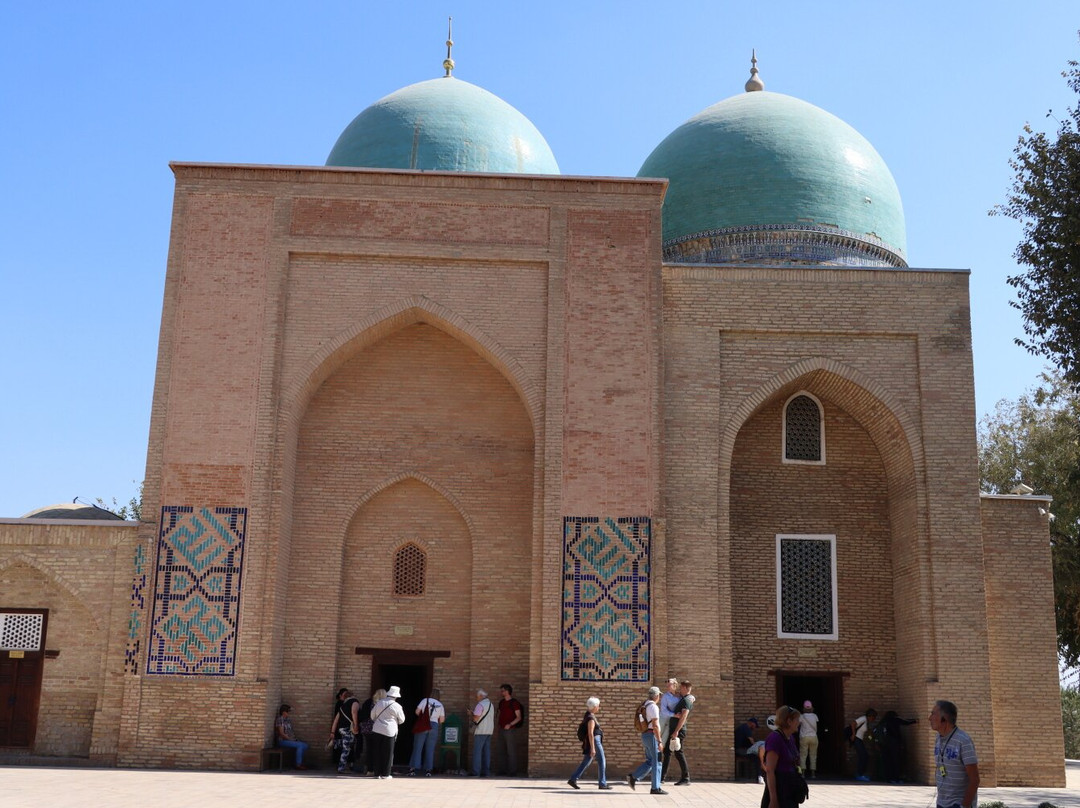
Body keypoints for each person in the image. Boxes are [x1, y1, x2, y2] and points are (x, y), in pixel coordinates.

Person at [930, 700, 979, 808]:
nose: (930, 718)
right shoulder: (938, 739)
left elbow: (974, 779)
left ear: (944, 718)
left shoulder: (963, 741)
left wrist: (964, 805)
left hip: (958, 803)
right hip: (941, 803)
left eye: (933, 714)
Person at [762, 705, 806, 808]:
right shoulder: (775, 739)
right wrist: (773, 800)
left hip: (790, 789)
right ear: (789, 721)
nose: (799, 722)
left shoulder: (790, 738)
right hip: (779, 790)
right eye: (796, 720)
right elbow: (770, 770)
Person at [627, 685, 666, 795]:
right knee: (657, 762)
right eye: (659, 696)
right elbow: (655, 725)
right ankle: (655, 788)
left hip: (645, 736)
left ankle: (633, 777)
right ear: (657, 696)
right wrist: (659, 741)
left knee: (650, 761)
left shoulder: (644, 704)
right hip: (652, 736)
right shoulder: (653, 707)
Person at [567, 696, 611, 790]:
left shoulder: (588, 715)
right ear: (595, 707)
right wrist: (593, 748)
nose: (599, 707)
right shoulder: (590, 718)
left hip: (593, 741)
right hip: (595, 741)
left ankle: (573, 779)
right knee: (602, 761)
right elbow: (591, 733)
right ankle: (602, 783)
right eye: (598, 706)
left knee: (586, 761)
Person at [370, 685, 406, 779]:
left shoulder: (379, 703)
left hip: (377, 729)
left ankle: (376, 773)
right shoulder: (397, 706)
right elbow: (402, 720)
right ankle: (386, 774)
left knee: (377, 751)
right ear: (396, 696)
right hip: (390, 731)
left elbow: (372, 715)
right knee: (388, 753)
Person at [661, 681, 693, 786]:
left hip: (678, 730)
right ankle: (662, 777)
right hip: (674, 729)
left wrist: (676, 731)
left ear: (684, 688)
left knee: (679, 753)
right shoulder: (683, 699)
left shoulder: (686, 700)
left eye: (681, 687)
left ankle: (686, 778)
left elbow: (683, 716)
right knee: (667, 752)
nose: (679, 689)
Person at [409, 687, 445, 777]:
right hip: (434, 725)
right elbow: (442, 720)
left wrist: (423, 717)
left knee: (418, 747)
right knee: (430, 748)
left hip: (423, 724)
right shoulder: (440, 704)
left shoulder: (425, 700)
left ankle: (413, 769)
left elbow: (417, 712)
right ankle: (428, 770)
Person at [881, 709, 917, 784]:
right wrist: (915, 721)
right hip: (894, 743)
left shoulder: (883, 721)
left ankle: (888, 778)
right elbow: (906, 722)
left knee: (888, 762)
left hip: (885, 744)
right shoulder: (895, 720)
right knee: (896, 761)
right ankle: (896, 778)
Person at [329, 687, 360, 773]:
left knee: (350, 743)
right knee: (346, 749)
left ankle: (336, 742)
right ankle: (341, 768)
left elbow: (336, 720)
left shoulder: (342, 706)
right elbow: (354, 713)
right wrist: (356, 725)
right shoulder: (355, 702)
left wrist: (333, 731)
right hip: (348, 729)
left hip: (341, 729)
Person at [496, 683, 524, 776]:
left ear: (507, 691)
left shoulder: (514, 703)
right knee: (501, 751)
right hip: (501, 729)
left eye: (503, 690)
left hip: (510, 730)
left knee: (511, 751)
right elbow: (499, 714)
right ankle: (502, 770)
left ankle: (512, 771)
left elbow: (518, 717)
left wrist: (510, 724)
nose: (501, 692)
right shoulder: (501, 702)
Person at [274, 704, 308, 769]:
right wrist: (290, 739)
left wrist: (294, 739)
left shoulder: (287, 719)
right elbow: (281, 733)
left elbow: (290, 731)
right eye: (288, 711)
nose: (289, 713)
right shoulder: (280, 719)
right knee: (300, 745)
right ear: (284, 712)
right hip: (283, 740)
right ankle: (298, 765)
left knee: (305, 745)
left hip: (290, 739)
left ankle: (299, 762)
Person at [470, 688, 495, 777]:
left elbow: (476, 718)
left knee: (477, 752)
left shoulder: (480, 705)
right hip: (489, 730)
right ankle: (486, 772)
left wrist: (471, 714)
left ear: (481, 696)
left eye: (477, 697)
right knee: (486, 752)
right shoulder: (491, 705)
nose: (476, 698)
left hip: (481, 730)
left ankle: (476, 772)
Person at [849, 707, 877, 781]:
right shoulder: (863, 719)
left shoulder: (867, 722)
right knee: (864, 756)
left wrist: (872, 739)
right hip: (857, 739)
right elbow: (853, 723)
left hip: (860, 740)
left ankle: (860, 774)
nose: (873, 720)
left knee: (864, 757)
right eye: (873, 718)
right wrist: (853, 734)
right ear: (870, 716)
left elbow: (868, 735)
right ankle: (859, 775)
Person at [659, 678, 680, 757]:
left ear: (675, 685)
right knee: (658, 738)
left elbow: (688, 697)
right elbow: (663, 711)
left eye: (669, 683)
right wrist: (674, 715)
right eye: (666, 683)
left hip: (671, 722)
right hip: (663, 720)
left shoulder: (679, 695)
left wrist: (692, 698)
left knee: (663, 742)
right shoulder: (665, 696)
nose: (667, 685)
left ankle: (658, 761)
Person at [797, 700, 819, 779]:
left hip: (804, 737)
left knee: (803, 755)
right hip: (814, 737)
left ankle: (803, 773)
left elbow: (798, 725)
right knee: (813, 755)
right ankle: (813, 774)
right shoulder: (815, 716)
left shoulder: (801, 717)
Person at [735, 717, 762, 782]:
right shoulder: (746, 728)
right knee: (757, 757)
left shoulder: (742, 727)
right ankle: (759, 776)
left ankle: (757, 776)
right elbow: (752, 741)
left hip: (739, 749)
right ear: (752, 723)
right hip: (740, 750)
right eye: (755, 726)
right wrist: (757, 744)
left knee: (756, 756)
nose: (755, 728)